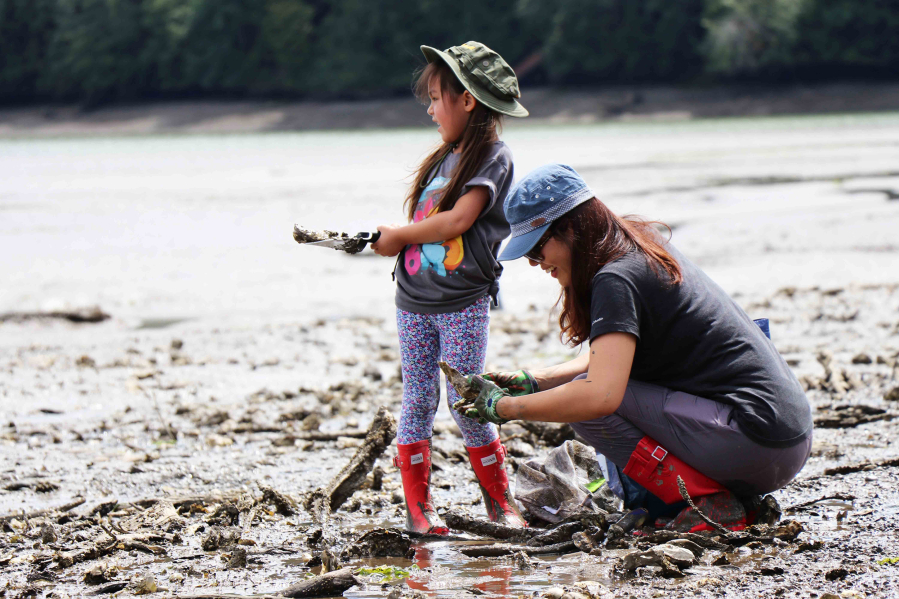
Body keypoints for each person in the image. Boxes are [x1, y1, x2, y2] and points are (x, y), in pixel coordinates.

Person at [459, 164, 814, 532]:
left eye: (535, 248)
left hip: (756, 443)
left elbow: (601, 393)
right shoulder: (641, 248)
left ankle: (707, 501)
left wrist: (507, 408)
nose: (535, 263)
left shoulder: (616, 278)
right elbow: (611, 361)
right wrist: (536, 380)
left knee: (586, 405)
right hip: (786, 439)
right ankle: (715, 495)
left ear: (569, 227)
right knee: (583, 388)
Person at [371, 41, 529, 533]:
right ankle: (419, 510)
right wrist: (391, 242)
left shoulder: (493, 158)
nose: (431, 108)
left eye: (438, 97)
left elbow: (457, 220)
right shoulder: (443, 158)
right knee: (417, 399)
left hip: (462, 303)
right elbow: (429, 226)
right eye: (430, 98)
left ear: (469, 101)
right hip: (413, 302)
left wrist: (397, 236)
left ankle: (499, 504)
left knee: (466, 400)